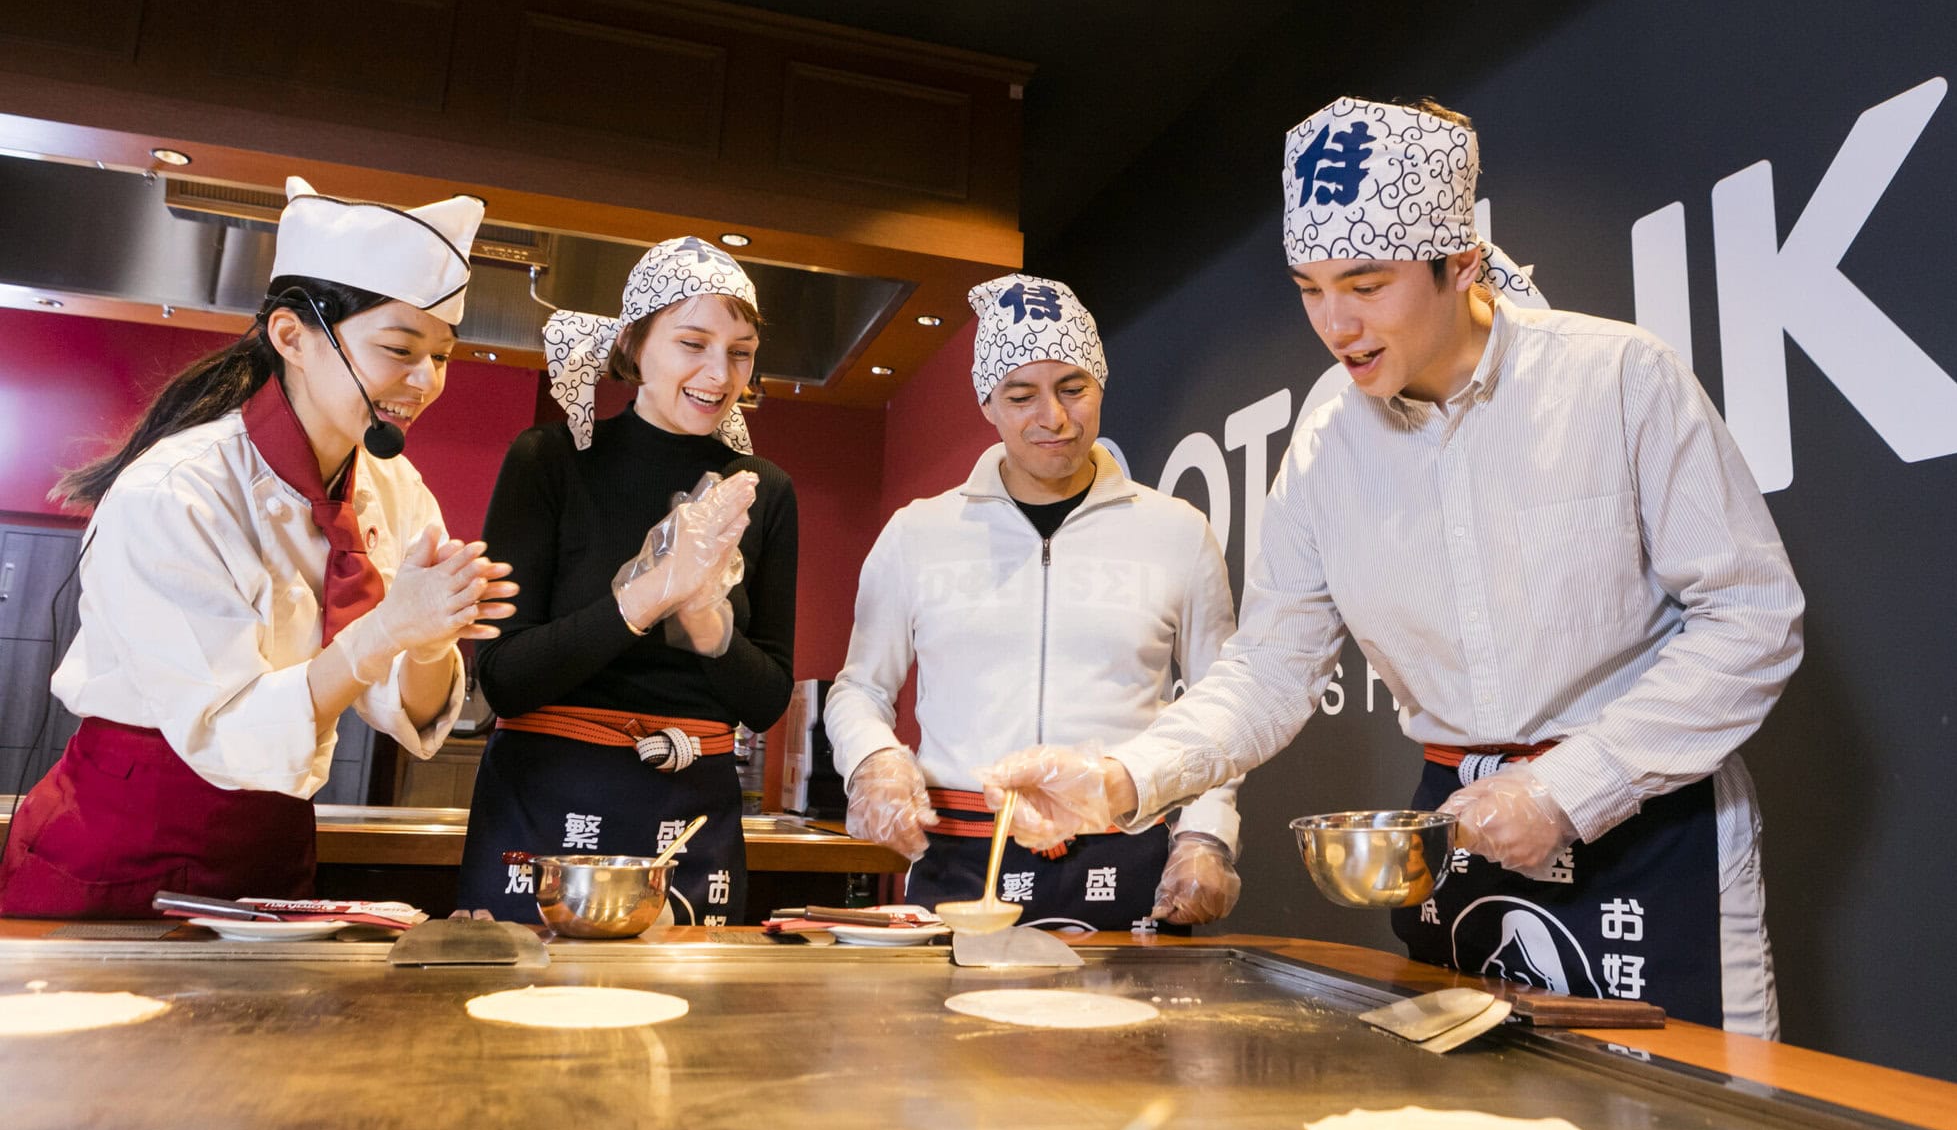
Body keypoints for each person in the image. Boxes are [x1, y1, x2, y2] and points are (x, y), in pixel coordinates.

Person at [980, 99, 1803, 1035]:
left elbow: (1753, 618)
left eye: (1365, 284)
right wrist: (1123, 779)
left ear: (1459, 264)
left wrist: (1572, 788)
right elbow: (1269, 671)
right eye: (1310, 287)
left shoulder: (1618, 378)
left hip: (1652, 833)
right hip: (1457, 836)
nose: (1335, 323)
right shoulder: (1328, 440)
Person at [0, 176, 514, 917]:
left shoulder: (393, 488)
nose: (425, 381)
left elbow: (397, 707)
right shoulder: (178, 489)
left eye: (441, 354)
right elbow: (226, 728)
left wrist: (432, 638)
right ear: (292, 337)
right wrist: (387, 630)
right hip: (124, 834)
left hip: (272, 839)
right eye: (400, 349)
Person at [825, 274, 1241, 931]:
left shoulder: (1178, 533)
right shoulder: (917, 534)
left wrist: (1207, 834)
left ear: (1101, 384)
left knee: (1128, 1035)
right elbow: (858, 689)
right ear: (987, 402)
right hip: (960, 855)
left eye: (1074, 389)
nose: (1053, 418)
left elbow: (1224, 708)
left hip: (1127, 853)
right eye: (1022, 396)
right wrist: (872, 762)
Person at [455, 238, 795, 928]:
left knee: (690, 1034)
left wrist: (704, 619)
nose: (718, 372)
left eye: (740, 351)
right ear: (636, 345)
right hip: (546, 801)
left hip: (689, 811)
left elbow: (765, 702)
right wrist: (648, 594)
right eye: (692, 343)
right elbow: (504, 678)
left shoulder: (763, 491)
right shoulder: (549, 460)